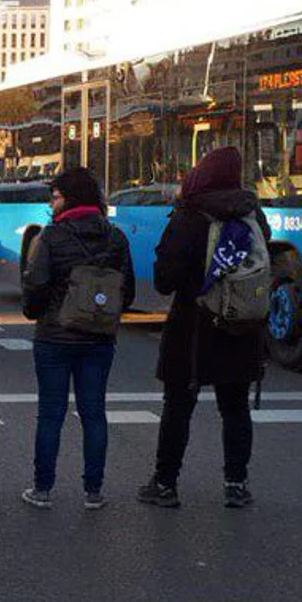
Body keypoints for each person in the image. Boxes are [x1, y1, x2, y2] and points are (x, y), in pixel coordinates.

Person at [140, 146, 272, 510]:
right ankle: (236, 484)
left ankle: (165, 484)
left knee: (178, 407)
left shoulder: (190, 215)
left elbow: (165, 280)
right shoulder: (252, 215)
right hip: (241, 326)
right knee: (235, 408)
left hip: (193, 327)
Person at [19, 167, 135, 510]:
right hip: (98, 337)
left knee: (51, 413)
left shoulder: (51, 237)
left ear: (68, 198)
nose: (51, 204)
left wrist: (34, 312)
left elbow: (36, 284)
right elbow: (125, 292)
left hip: (55, 336)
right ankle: (93, 491)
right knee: (94, 413)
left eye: (54, 197)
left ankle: (42, 489)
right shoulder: (115, 237)